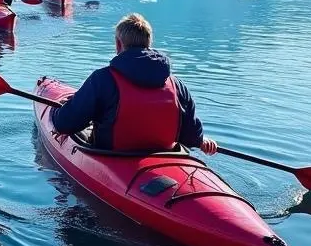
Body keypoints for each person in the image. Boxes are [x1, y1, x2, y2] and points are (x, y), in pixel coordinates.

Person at [50, 13, 217, 154]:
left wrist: (55, 112)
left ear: (118, 44)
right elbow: (190, 137)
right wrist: (202, 140)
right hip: (163, 157)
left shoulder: (102, 79)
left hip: (113, 158)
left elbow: (64, 124)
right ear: (148, 44)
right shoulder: (177, 86)